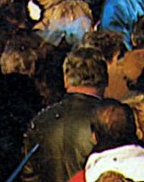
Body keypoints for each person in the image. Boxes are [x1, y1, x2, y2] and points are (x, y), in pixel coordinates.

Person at [22, 46, 113, 182]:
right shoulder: (110, 120)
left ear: (66, 80)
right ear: (105, 79)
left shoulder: (41, 120)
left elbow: (29, 175)